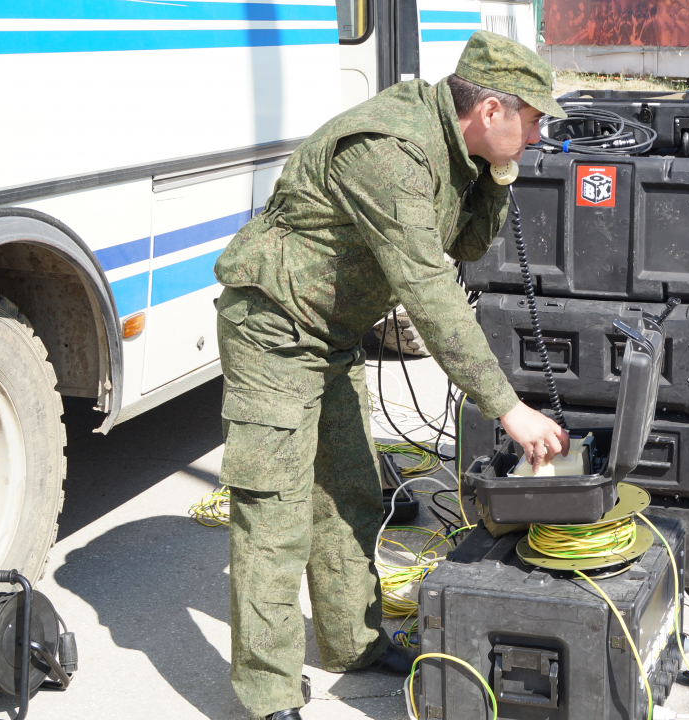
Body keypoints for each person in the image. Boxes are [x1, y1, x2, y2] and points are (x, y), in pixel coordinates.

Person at [211, 31, 569, 720]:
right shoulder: (390, 149)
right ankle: (268, 695)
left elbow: (465, 244)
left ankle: (353, 642)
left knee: (348, 494)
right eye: (533, 118)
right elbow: (431, 289)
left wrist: (496, 175)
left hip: (334, 333)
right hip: (275, 328)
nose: (539, 132)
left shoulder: (456, 147)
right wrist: (507, 406)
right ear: (491, 109)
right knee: (275, 514)